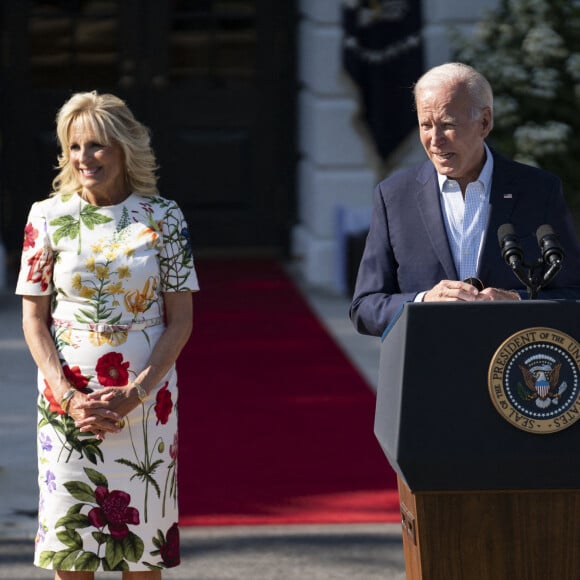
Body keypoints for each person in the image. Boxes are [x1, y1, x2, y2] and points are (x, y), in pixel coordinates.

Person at [15, 91, 199, 579]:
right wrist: (68, 397)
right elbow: (33, 319)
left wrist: (138, 392)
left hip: (146, 406)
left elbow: (181, 319)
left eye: (97, 146)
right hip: (67, 406)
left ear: (124, 149)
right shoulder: (46, 216)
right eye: (74, 147)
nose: (84, 159)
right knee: (71, 552)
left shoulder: (165, 217)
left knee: (143, 554)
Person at [350, 62, 580, 337]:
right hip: (427, 370)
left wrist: (519, 301)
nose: (435, 140)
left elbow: (573, 294)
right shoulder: (393, 196)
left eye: (447, 125)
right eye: (426, 125)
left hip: (510, 370)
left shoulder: (539, 190)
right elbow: (365, 308)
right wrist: (423, 301)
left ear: (484, 122)